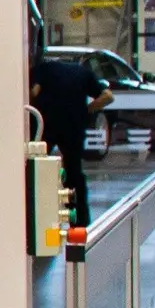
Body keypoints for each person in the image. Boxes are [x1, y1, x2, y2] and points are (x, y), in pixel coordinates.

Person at [33, 51, 107, 227]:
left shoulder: (43, 69)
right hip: (74, 125)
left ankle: (38, 216)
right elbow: (108, 96)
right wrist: (87, 110)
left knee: (37, 167)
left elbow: (34, 91)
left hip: (47, 124)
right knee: (74, 171)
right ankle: (79, 219)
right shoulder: (83, 72)